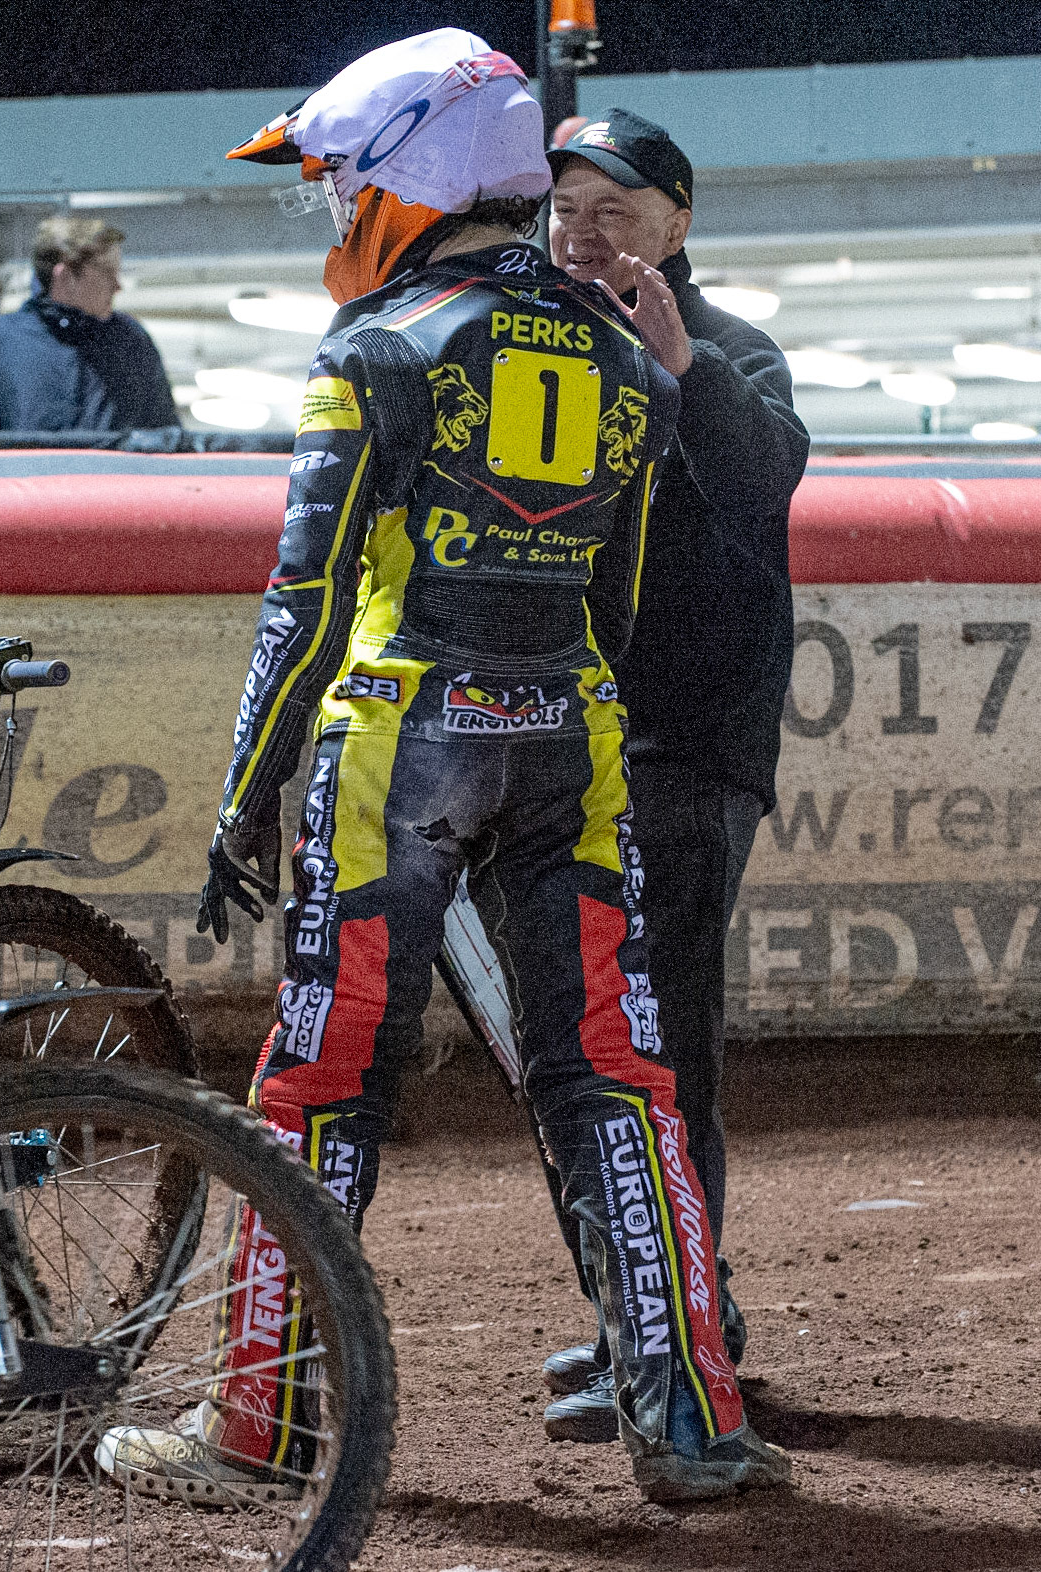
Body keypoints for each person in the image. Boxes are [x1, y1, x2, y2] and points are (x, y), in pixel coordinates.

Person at [96, 30, 790, 1505]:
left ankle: (260, 1427)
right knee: (619, 1076)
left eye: (345, 179)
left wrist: (245, 784)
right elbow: (625, 594)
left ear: (407, 175)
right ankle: (688, 1426)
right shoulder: (621, 350)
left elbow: (309, 599)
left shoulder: (375, 350)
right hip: (576, 736)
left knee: (324, 1077)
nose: (337, 210)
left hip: (396, 744)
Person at [537, 110, 811, 1442]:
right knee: (584, 1050)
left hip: (683, 757)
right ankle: (647, 1313)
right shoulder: (536, 343)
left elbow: (759, 481)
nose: (584, 233)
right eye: (566, 208)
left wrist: (679, 360)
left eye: (617, 209)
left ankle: (677, 1331)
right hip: (561, 745)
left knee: (656, 1050)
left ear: (679, 223)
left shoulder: (736, 352)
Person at [0, 216, 178, 431]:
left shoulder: (130, 340)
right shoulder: (1, 343)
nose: (118, 286)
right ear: (65, 275)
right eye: (108, 273)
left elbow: (165, 432)